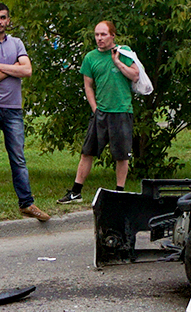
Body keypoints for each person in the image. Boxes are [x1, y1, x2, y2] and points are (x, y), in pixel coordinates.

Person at [0, 3, 49, 221]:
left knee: (18, 157)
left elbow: (27, 70)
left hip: (13, 109)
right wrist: (12, 68)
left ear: (8, 20)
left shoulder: (17, 43)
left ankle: (27, 203)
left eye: (3, 18)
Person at [57, 20, 139, 204]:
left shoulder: (124, 52)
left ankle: (119, 192)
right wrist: (95, 108)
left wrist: (117, 62)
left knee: (121, 155)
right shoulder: (90, 58)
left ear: (112, 35)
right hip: (101, 112)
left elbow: (135, 75)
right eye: (96, 35)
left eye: (103, 34)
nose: (99, 38)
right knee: (87, 152)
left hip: (122, 110)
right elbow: (88, 85)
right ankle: (76, 192)